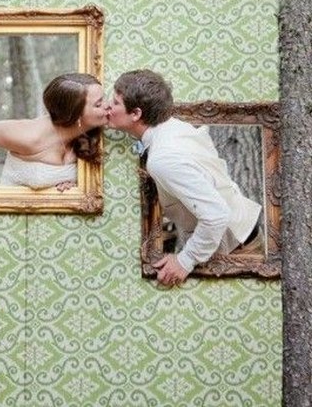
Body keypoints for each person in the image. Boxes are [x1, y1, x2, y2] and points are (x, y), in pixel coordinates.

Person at [107, 69, 262, 287]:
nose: (107, 107)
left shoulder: (163, 158)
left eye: (114, 102)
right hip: (244, 230)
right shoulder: (172, 127)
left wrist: (185, 260)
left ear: (136, 114)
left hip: (240, 247)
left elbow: (216, 216)